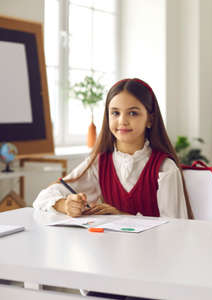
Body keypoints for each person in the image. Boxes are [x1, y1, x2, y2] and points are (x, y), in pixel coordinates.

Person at [34, 78, 192, 219]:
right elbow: (43, 197)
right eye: (115, 113)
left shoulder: (164, 168)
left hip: (155, 250)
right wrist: (65, 204)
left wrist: (120, 215)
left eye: (132, 113)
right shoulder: (99, 163)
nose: (122, 121)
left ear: (150, 119)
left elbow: (175, 227)